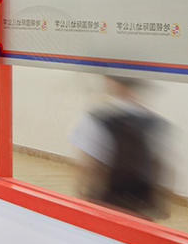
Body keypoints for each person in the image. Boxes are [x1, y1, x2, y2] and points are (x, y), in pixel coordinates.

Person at [70, 75, 173, 220]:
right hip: (140, 203)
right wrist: (163, 202)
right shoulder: (152, 120)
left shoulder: (99, 117)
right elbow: (160, 164)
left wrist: (80, 192)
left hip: (107, 200)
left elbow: (89, 163)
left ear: (112, 82)